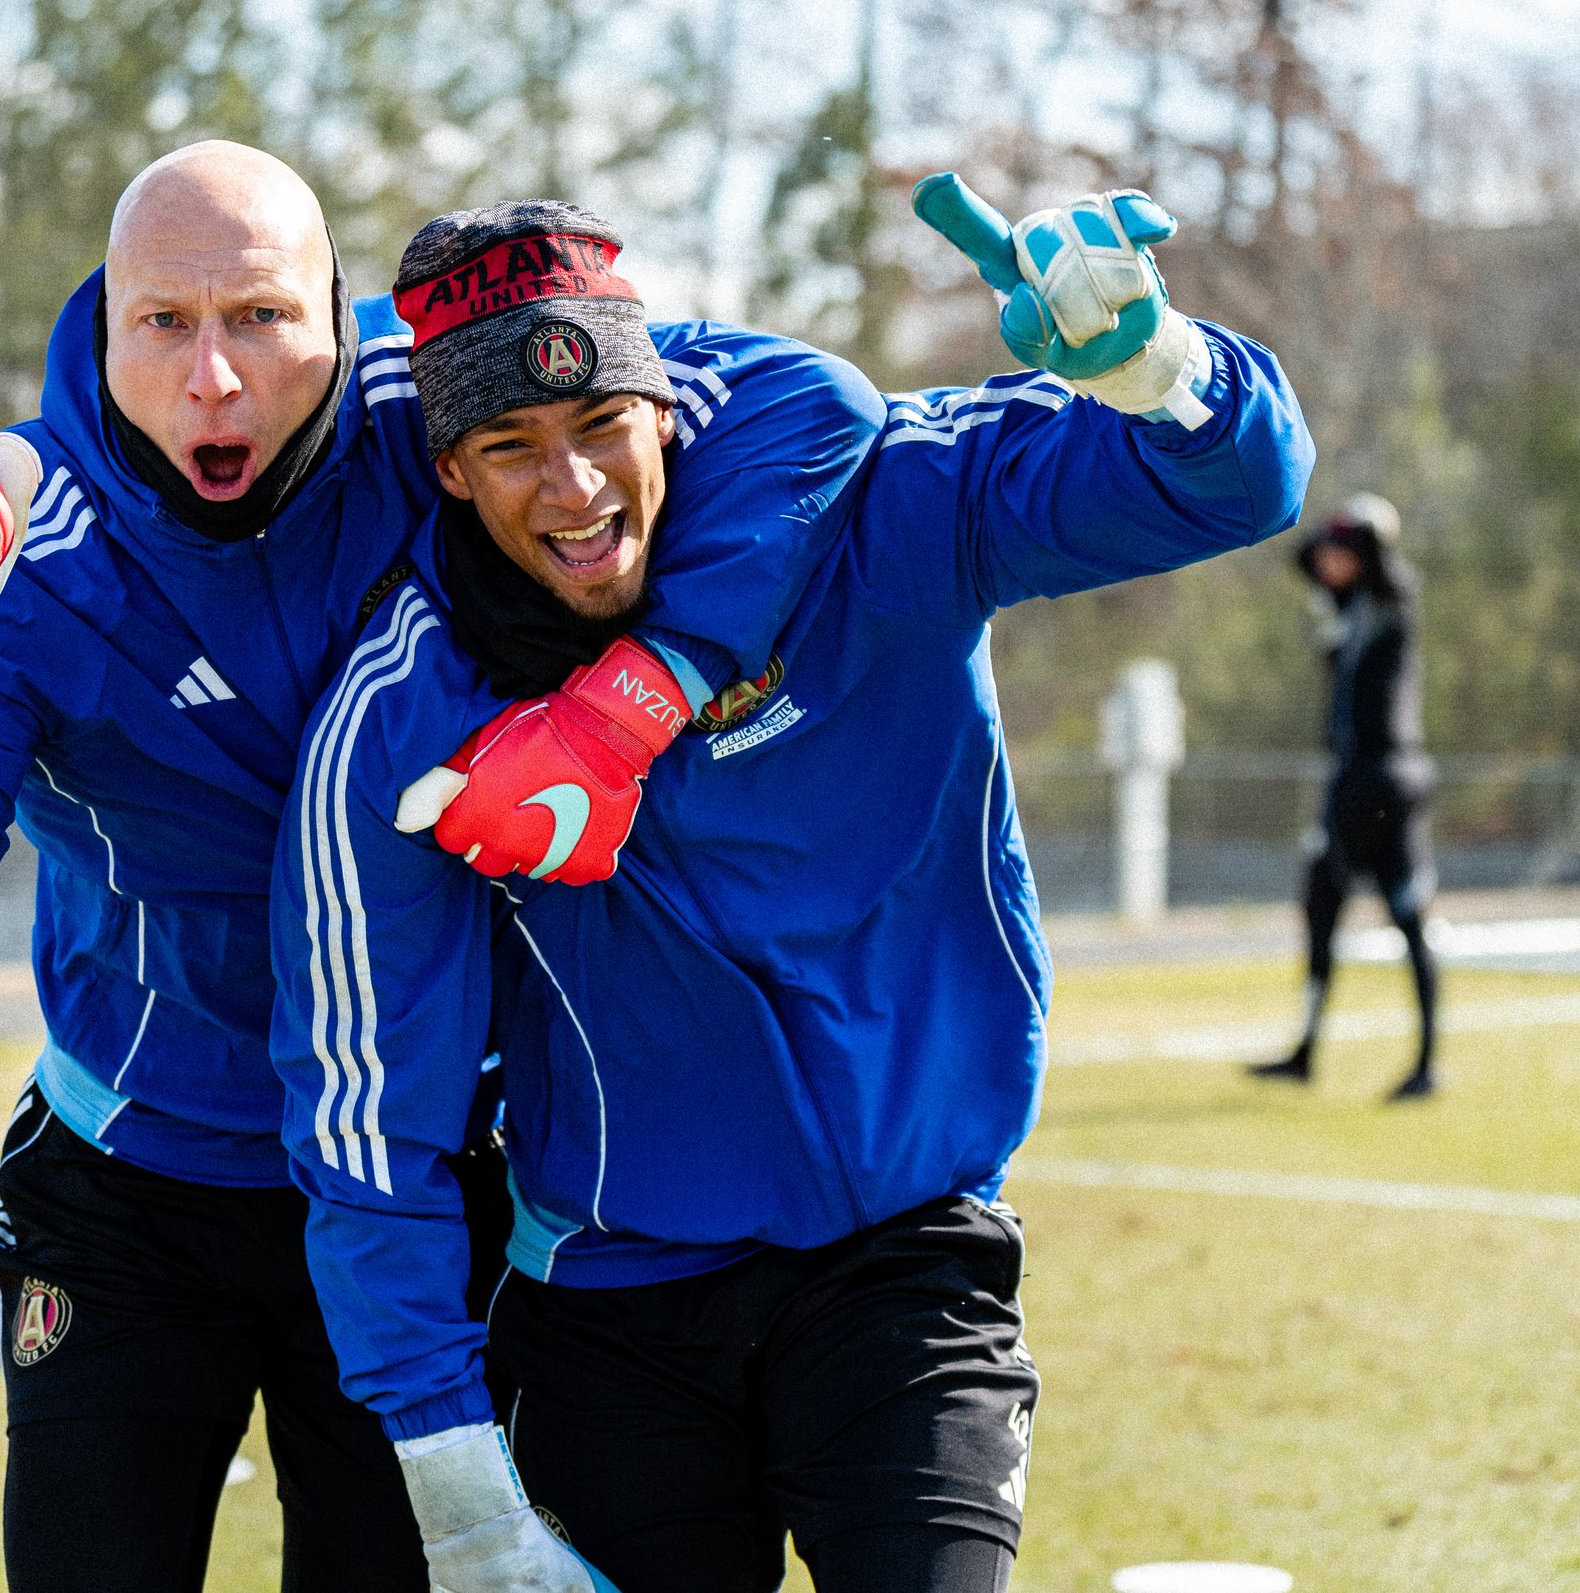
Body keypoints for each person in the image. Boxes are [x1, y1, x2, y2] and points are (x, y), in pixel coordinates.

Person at [0, 143, 880, 1591]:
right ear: (108, 323)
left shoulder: (438, 405)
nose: (213, 378)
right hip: (141, 1180)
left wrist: (633, 693)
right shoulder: (17, 559)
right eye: (166, 324)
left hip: (425, 1179)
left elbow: (805, 406)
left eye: (258, 315)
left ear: (338, 306)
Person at [270, 181, 1314, 1592]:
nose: (572, 489)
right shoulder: (410, 709)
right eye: (510, 447)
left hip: (905, 1263)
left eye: (600, 428)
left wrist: (1154, 366)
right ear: (450, 470)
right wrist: (460, 1493)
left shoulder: (890, 505)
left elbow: (1233, 483)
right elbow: (365, 1114)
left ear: (664, 409)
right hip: (614, 1301)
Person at [1248, 493, 1441, 1101]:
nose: (1331, 560)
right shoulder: (1342, 605)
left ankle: (1425, 1064)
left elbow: (1382, 567)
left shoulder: (1390, 600)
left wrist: (1371, 528)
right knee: (1320, 910)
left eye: (1347, 548)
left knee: (1409, 920)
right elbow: (1304, 559)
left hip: (1384, 779)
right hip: (1353, 781)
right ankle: (1305, 1052)